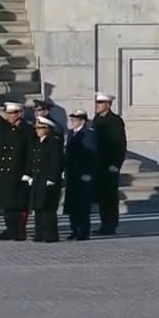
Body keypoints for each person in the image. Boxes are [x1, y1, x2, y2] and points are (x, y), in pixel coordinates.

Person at [0, 102, 32, 241]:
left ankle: (19, 230)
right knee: (7, 203)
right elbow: (0, 149)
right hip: (6, 171)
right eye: (7, 114)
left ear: (19, 114)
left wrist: (28, 172)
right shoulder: (5, 129)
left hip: (19, 171)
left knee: (19, 203)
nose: (9, 116)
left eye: (12, 113)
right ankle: (10, 229)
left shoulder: (27, 130)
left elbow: (30, 153)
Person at [92, 92, 126, 236]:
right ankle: (104, 224)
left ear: (108, 105)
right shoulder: (97, 119)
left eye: (100, 103)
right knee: (101, 197)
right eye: (97, 103)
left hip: (110, 165)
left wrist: (116, 164)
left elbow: (120, 144)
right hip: (98, 164)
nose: (97, 106)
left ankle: (111, 225)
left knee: (110, 197)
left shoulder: (115, 120)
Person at [63, 109, 98, 241]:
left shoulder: (88, 134)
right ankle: (74, 229)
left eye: (75, 120)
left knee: (83, 205)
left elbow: (92, 155)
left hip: (83, 175)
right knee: (72, 205)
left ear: (82, 121)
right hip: (72, 174)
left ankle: (83, 231)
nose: (72, 122)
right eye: (72, 120)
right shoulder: (72, 133)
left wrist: (88, 173)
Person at [29, 116, 64, 243]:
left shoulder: (53, 142)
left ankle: (50, 234)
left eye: (40, 128)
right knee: (38, 207)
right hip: (38, 179)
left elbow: (56, 161)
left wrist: (52, 178)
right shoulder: (38, 143)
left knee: (48, 209)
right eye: (36, 128)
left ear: (47, 129)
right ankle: (39, 233)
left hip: (48, 180)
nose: (37, 131)